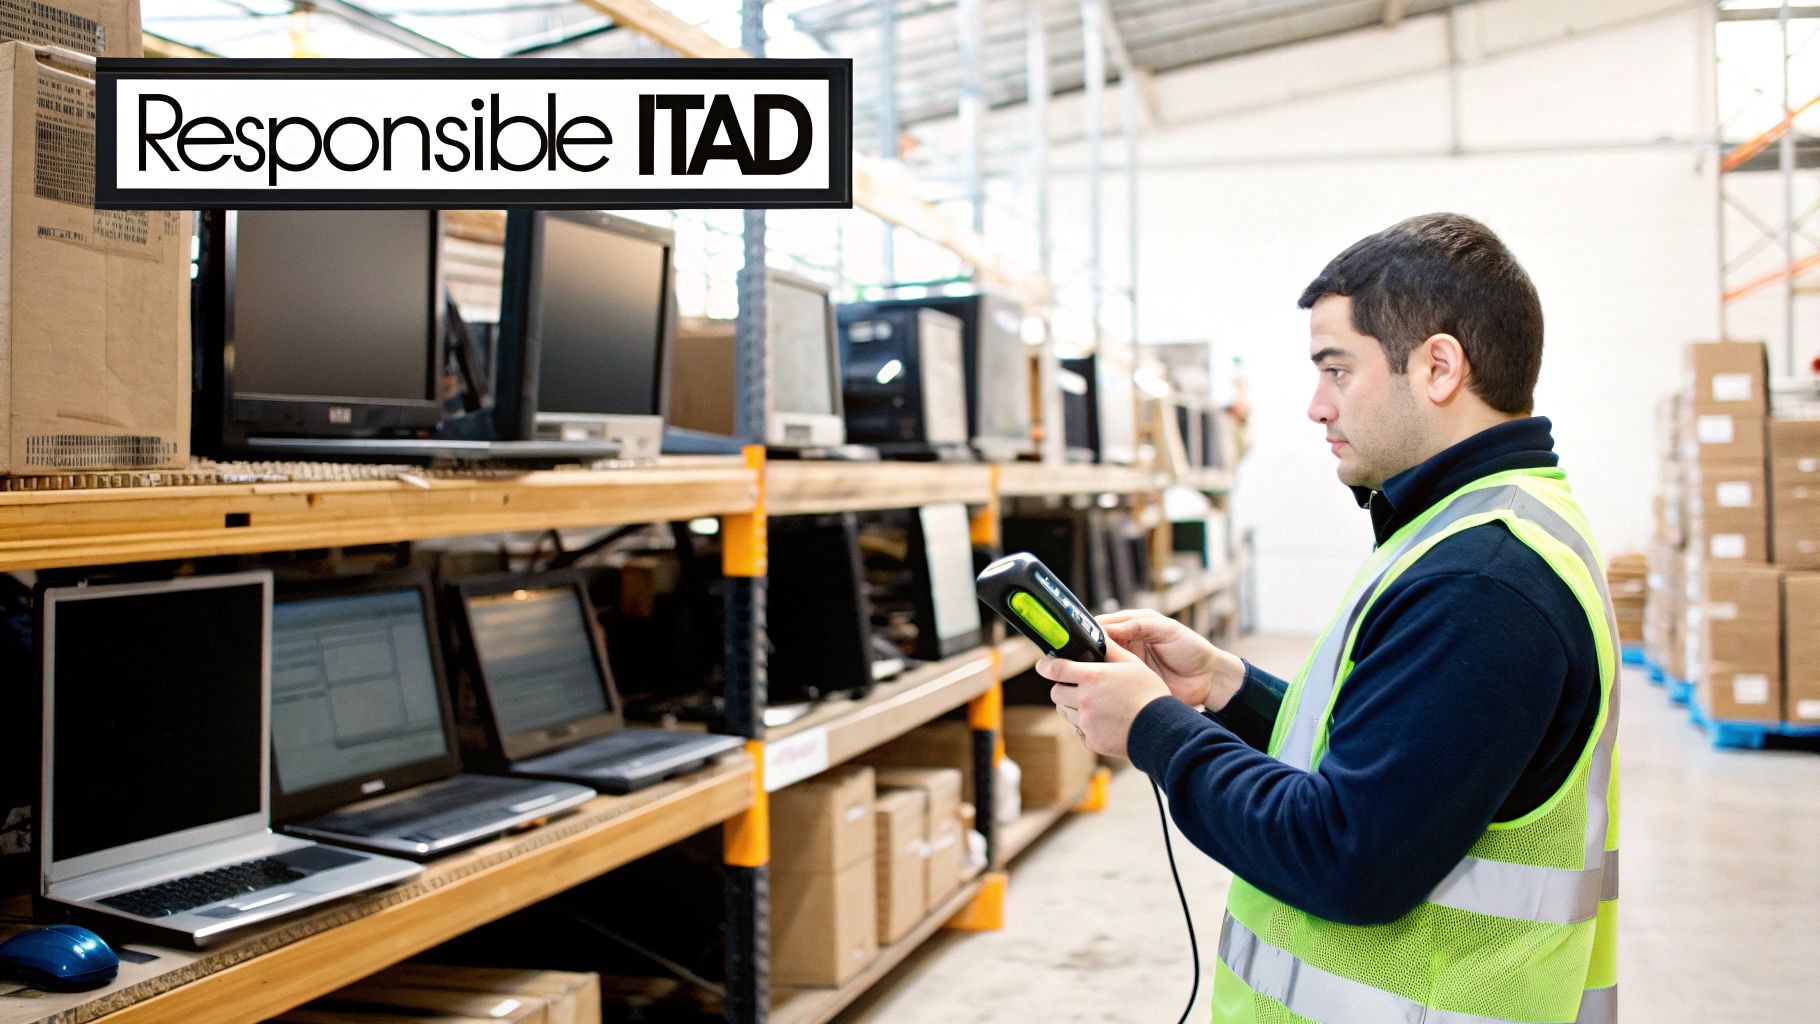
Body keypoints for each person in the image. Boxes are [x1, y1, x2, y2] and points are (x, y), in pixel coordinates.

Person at [1040, 213, 1618, 1024]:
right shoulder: (1466, 530)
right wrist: (1225, 687)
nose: (1317, 406)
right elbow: (1398, 755)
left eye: (1337, 370)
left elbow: (1344, 854)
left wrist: (1154, 728)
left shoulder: (1482, 580)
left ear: (1439, 366)